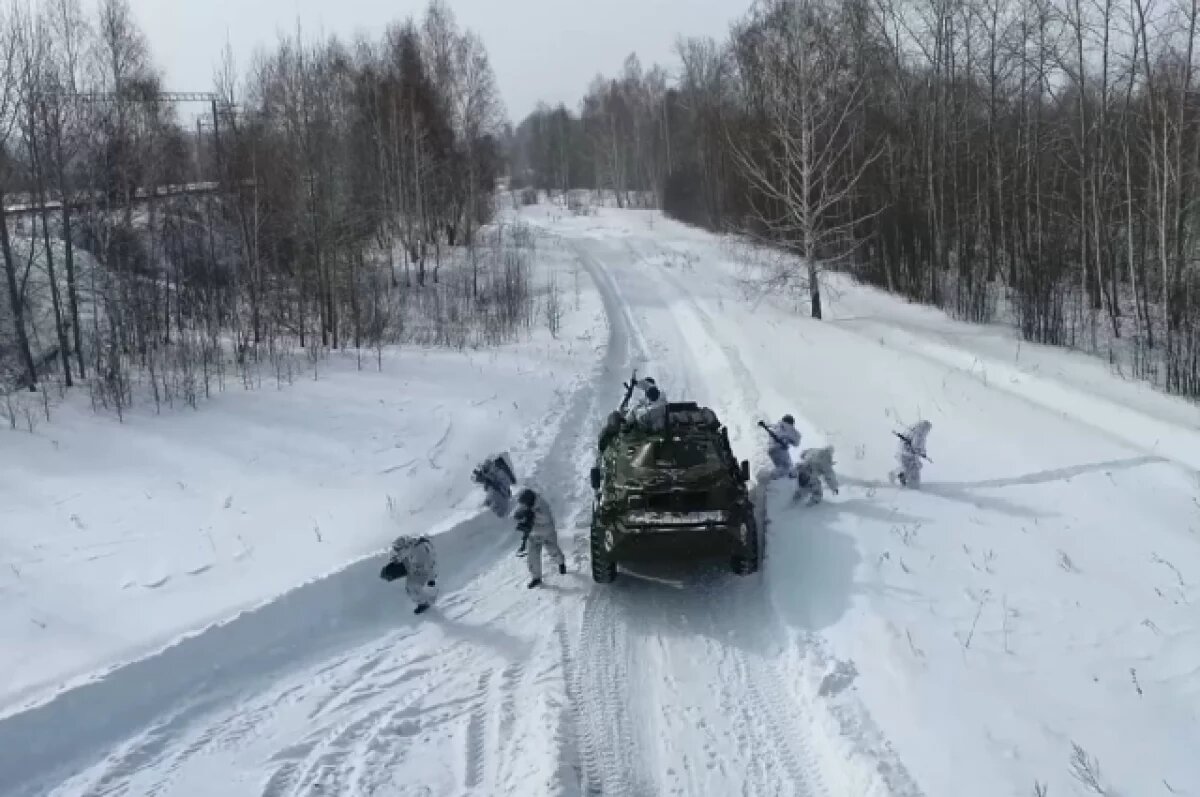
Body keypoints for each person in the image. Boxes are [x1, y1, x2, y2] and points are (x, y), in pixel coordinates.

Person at [514, 488, 566, 588]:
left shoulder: (542, 505)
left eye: (525, 504)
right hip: (533, 535)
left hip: (547, 533)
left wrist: (532, 519)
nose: (523, 505)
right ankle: (536, 578)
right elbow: (518, 512)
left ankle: (561, 563)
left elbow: (546, 520)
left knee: (553, 551)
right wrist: (520, 516)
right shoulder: (526, 505)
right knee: (532, 557)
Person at [379, 535, 439, 614]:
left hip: (422, 572)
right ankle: (424, 601)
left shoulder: (420, 551)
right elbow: (404, 554)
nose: (397, 551)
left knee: (411, 587)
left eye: (398, 549)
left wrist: (431, 580)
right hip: (413, 567)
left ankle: (426, 602)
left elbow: (430, 565)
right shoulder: (411, 547)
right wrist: (396, 560)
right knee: (409, 586)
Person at [472, 452, 517, 517]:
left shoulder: (501, 474)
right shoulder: (493, 474)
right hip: (495, 500)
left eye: (486, 467)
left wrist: (489, 482)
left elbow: (503, 487)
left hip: (499, 502)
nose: (485, 470)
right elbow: (488, 480)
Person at [889, 420, 932, 488]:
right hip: (907, 454)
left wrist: (922, 453)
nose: (928, 431)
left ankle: (899, 475)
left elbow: (919, 446)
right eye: (928, 429)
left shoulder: (914, 432)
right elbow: (916, 446)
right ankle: (899, 476)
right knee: (911, 470)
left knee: (909, 469)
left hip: (906, 454)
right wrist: (921, 452)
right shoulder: (919, 434)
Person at [762, 415, 801, 479]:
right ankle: (770, 478)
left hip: (771, 450)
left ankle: (775, 479)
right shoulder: (788, 427)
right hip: (780, 449)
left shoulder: (777, 426)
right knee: (786, 468)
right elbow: (796, 443)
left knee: (782, 468)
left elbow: (770, 426)